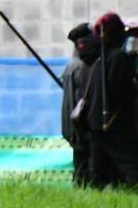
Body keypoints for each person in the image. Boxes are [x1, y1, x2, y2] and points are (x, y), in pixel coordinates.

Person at [82, 12, 138, 187]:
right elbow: (120, 90)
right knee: (130, 166)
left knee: (96, 170)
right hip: (114, 122)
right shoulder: (118, 57)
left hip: (94, 122)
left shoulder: (94, 57)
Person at [59, 23, 94, 187]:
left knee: (80, 166)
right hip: (81, 127)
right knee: (84, 169)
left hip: (72, 126)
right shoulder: (82, 67)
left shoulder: (70, 66)